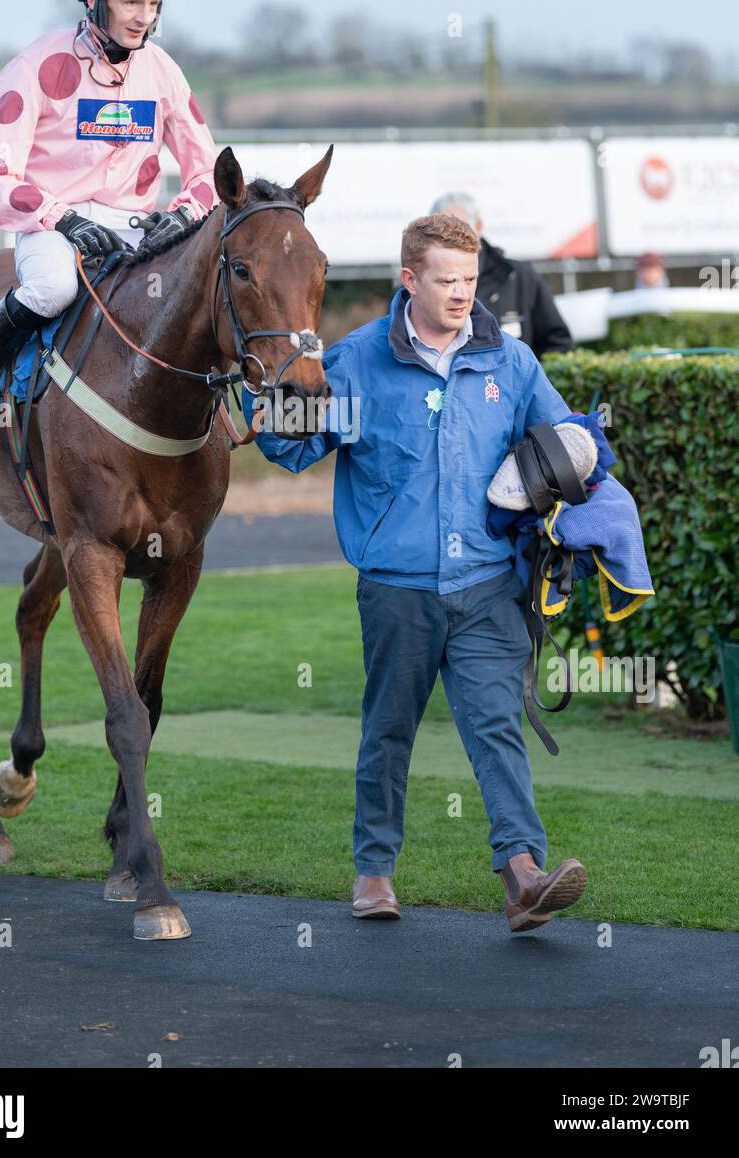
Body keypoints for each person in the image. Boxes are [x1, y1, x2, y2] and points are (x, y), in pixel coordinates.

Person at [241, 213, 588, 932]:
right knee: (389, 730)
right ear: (409, 280)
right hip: (397, 586)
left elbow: (565, 441)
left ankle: (523, 876)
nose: (463, 294)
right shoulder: (358, 361)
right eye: (446, 281)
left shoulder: (509, 361)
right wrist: (258, 407)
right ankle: (374, 873)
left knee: (496, 727)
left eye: (468, 280)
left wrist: (582, 470)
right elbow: (290, 444)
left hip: (489, 585)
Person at [0, 0, 218, 449]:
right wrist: (63, 219)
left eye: (152, 3)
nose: (143, 16)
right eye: (130, 1)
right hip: (52, 224)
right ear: (95, 1)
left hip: (135, 226)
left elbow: (209, 172)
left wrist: (181, 215)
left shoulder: (163, 72)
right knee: (53, 290)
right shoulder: (34, 66)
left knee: (192, 294)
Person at [431, 191, 573, 359]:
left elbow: (557, 343)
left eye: (459, 229)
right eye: (441, 232)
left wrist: (526, 380)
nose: (451, 239)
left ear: (478, 226)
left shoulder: (520, 277)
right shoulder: (416, 286)